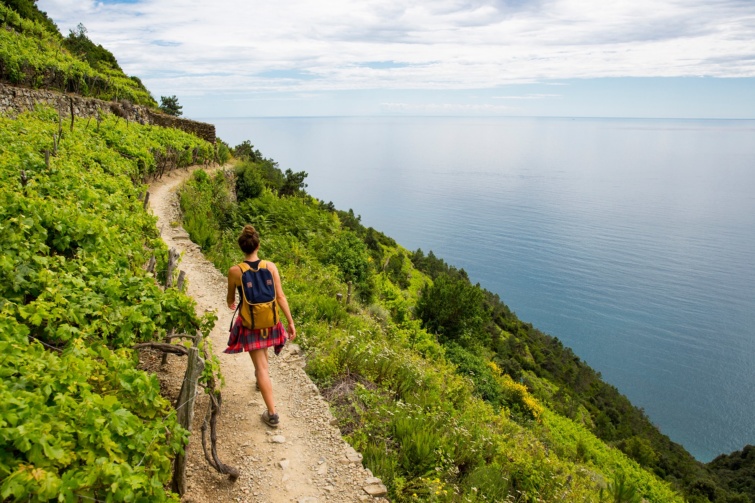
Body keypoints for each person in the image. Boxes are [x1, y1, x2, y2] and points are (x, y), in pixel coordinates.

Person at [225, 225, 296, 428]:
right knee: (263, 363)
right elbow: (280, 296)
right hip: (271, 322)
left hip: (250, 325)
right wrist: (290, 322)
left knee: (261, 367)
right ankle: (260, 381)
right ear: (258, 245)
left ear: (242, 248)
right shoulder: (270, 267)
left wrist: (231, 302)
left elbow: (230, 299)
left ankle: (272, 414)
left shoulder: (235, 271)